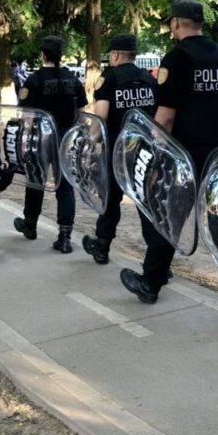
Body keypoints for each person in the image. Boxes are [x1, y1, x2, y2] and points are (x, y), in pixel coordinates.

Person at [118, 0, 218, 326]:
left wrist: (154, 160)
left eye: (170, 23)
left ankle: (150, 284)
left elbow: (165, 119)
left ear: (177, 23)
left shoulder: (177, 58)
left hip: (185, 157)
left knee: (169, 219)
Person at [81, 33, 163, 265]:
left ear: (115, 54)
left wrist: (90, 144)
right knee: (146, 205)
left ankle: (102, 247)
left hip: (116, 152)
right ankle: (158, 263)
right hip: (144, 152)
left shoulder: (109, 78)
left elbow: (101, 119)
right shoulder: (149, 79)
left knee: (110, 201)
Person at [12, 36, 87, 253]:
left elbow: (25, 115)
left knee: (36, 180)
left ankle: (30, 225)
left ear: (43, 54)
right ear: (61, 55)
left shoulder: (34, 80)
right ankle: (64, 237)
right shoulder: (72, 79)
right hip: (66, 137)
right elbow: (81, 112)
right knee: (65, 186)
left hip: (40, 136)